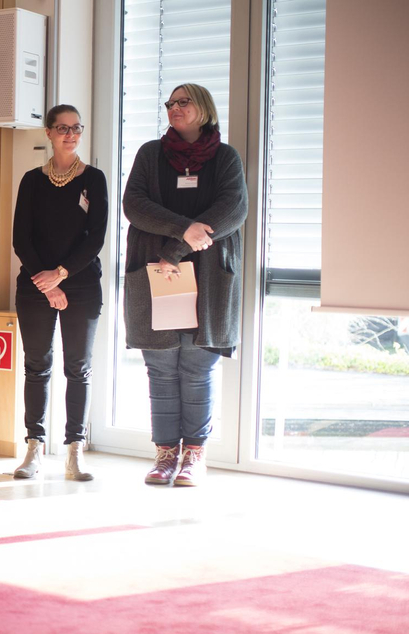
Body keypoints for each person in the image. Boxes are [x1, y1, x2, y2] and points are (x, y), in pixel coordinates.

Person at [122, 83, 248, 487]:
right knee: (160, 367)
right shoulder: (150, 154)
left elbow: (233, 209)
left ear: (204, 108)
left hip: (208, 278)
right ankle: (164, 455)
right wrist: (183, 230)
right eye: (170, 103)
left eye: (183, 101)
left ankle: (194, 454)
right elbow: (134, 205)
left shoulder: (226, 157)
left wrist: (176, 249)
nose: (174, 107)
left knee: (196, 367)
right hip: (156, 273)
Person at [11, 105, 108, 480]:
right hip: (36, 284)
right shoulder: (32, 181)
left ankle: (74, 452)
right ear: (49, 133)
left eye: (76, 128)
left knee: (78, 369)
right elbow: (22, 238)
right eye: (63, 128)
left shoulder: (94, 180)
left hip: (81, 284)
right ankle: (34, 449)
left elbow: (95, 238)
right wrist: (46, 282)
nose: (70, 134)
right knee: (37, 367)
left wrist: (61, 275)